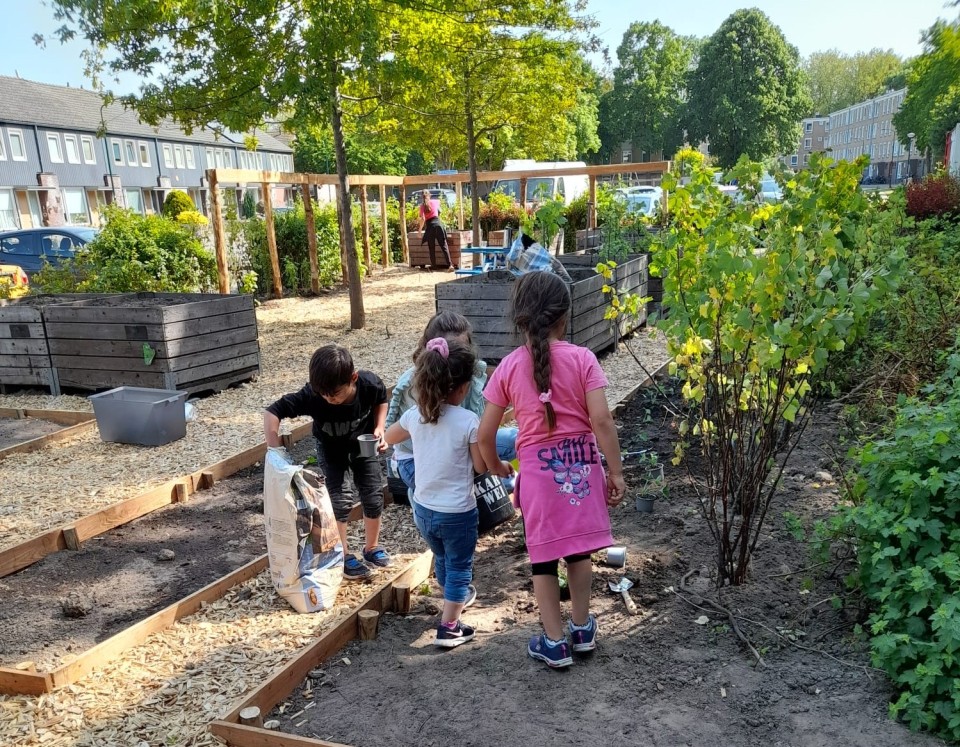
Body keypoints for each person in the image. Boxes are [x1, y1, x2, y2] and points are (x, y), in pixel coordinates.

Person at [478, 272, 625, 668]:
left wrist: (497, 467)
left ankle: (554, 642)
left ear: (520, 318)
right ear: (565, 316)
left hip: (539, 483)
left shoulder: (508, 367)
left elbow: (484, 432)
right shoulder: (583, 360)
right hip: (582, 470)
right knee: (579, 551)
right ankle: (581, 628)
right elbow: (602, 421)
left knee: (543, 559)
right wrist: (616, 472)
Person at [385, 337, 503, 647]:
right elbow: (480, 467)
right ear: (463, 388)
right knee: (461, 566)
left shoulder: (415, 416)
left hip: (423, 511)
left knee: (442, 556)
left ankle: (448, 598)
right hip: (457, 513)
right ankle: (449, 625)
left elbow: (389, 436)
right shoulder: (468, 421)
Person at [264, 344, 392, 582]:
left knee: (373, 494)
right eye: (324, 395)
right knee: (340, 499)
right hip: (331, 449)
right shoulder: (313, 395)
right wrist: (274, 448)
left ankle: (372, 548)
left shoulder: (369, 384)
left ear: (353, 378)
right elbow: (273, 411)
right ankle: (343, 555)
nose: (329, 399)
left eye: (335, 394)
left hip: (363, 446)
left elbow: (381, 399)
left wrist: (379, 427)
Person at [386, 311, 517, 497]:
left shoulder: (470, 373)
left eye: (461, 348)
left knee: (516, 440)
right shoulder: (413, 384)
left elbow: (479, 434)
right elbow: (395, 437)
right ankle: (417, 499)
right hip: (424, 459)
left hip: (462, 448)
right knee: (445, 489)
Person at [417, 189, 456, 271]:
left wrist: (420, 230)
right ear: (430, 195)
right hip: (438, 225)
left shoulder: (422, 206)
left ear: (422, 197)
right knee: (444, 246)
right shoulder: (435, 202)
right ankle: (450, 265)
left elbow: (423, 219)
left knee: (431, 247)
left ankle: (434, 266)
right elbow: (439, 210)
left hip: (430, 226)